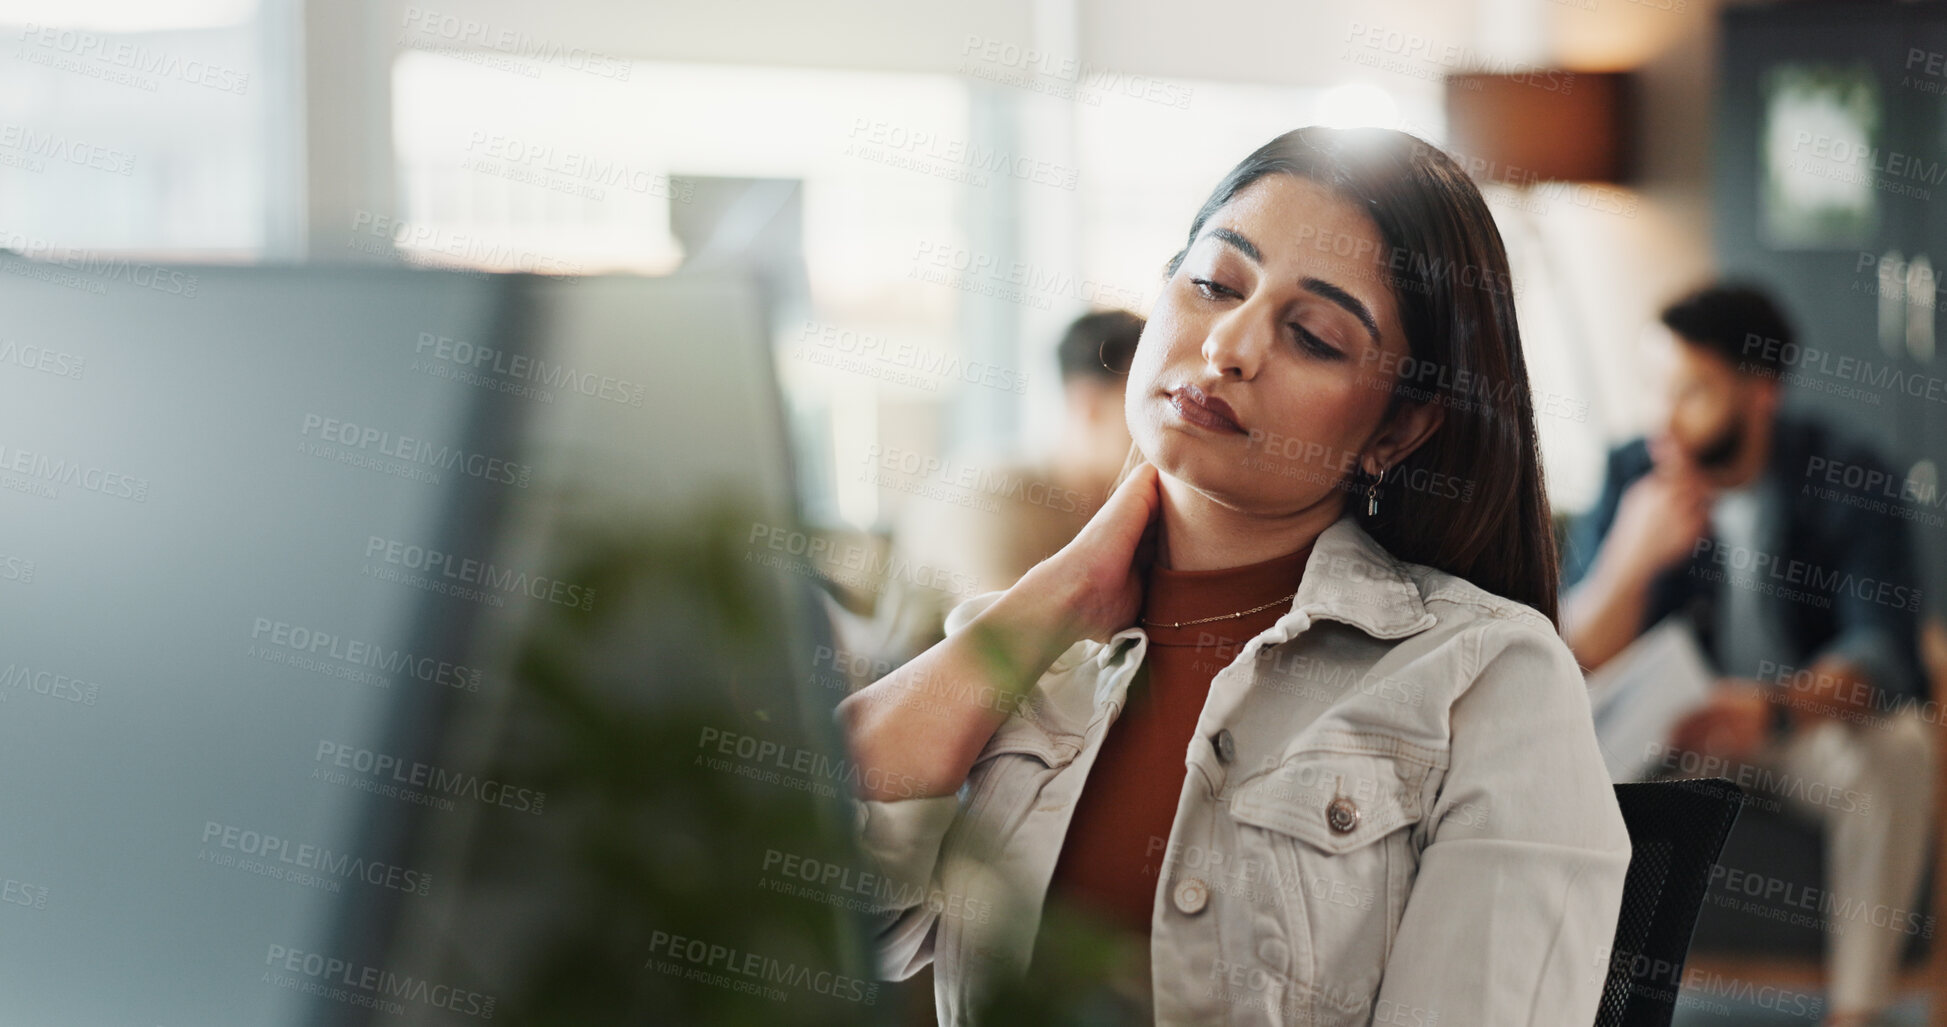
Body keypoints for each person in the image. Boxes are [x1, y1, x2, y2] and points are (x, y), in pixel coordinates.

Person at [834, 126, 1630, 1026]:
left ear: (1398, 431)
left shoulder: (1484, 676)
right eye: (1214, 284)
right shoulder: (1043, 651)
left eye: (1314, 336)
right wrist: (1054, 596)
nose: (1231, 346)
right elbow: (796, 900)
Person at [1561, 283, 1935, 1027]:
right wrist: (1628, 561)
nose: (1662, 417)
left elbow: (1884, 651)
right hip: (1672, 737)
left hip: (1792, 729)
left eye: (1692, 391)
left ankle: (1854, 1013)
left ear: (1760, 392)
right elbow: (1563, 662)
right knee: (1556, 753)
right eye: (1657, 389)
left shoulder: (1845, 473)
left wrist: (1772, 706)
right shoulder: (1633, 472)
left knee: (1902, 749)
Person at [864, 310, 1143, 672]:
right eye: (1144, 399)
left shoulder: (1125, 503)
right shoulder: (995, 494)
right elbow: (1006, 658)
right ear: (1087, 405)